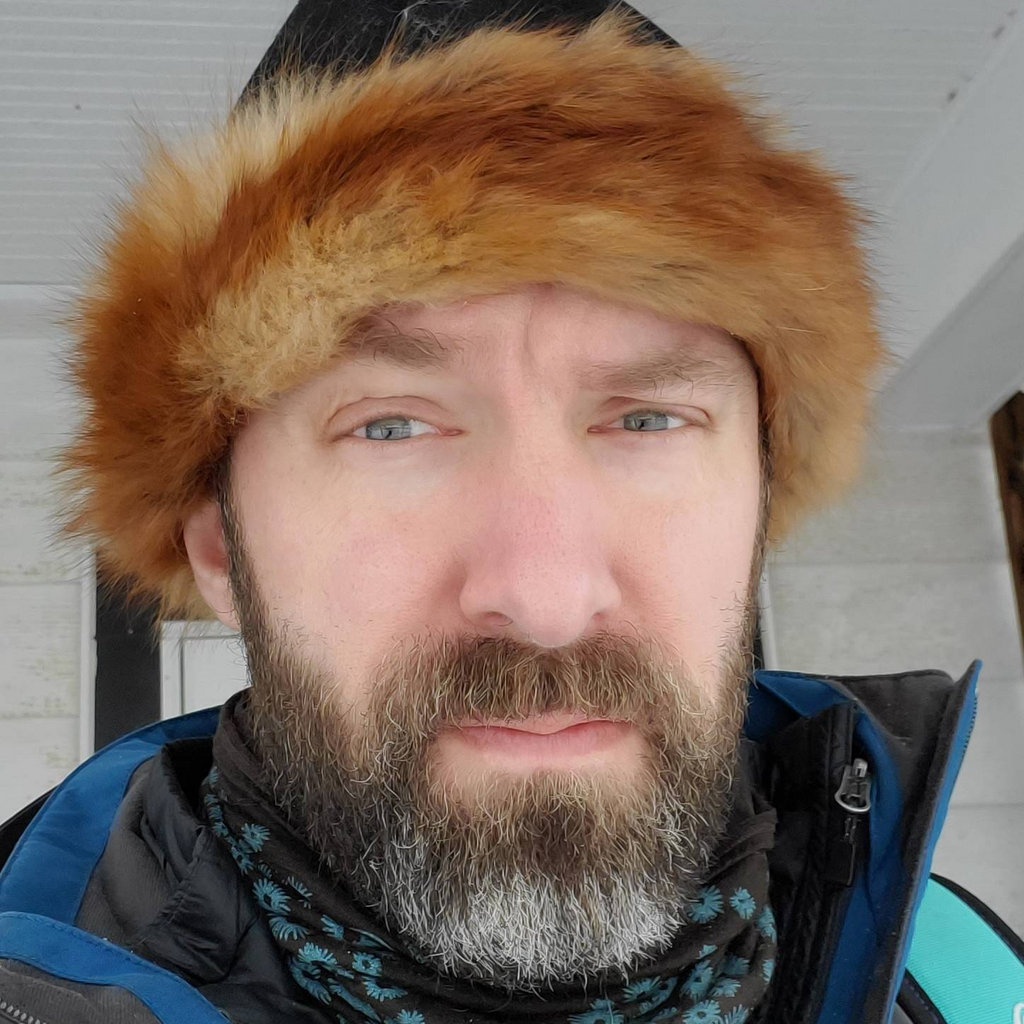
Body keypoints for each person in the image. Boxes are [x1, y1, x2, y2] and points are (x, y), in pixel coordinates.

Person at [0, 2, 1021, 1023]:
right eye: (390, 426)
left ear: (756, 507)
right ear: (223, 552)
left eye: (648, 417)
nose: (546, 601)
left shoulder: (962, 976)